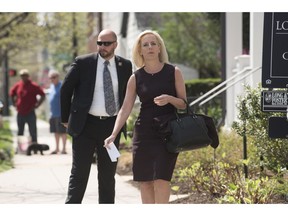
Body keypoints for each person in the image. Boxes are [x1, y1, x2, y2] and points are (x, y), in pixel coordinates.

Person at [104, 30, 187, 204]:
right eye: (145, 45)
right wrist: (113, 134)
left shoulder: (174, 72)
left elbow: (184, 105)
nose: (149, 47)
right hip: (144, 133)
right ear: (140, 51)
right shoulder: (136, 77)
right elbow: (125, 109)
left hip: (167, 133)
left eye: (153, 43)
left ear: (159, 48)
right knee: (146, 181)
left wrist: (170, 99)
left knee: (162, 179)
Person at [60, 29, 132, 204]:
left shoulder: (125, 65)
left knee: (107, 177)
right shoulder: (83, 62)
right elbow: (66, 89)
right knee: (79, 174)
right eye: (100, 43)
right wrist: (65, 118)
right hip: (85, 125)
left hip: (111, 128)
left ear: (115, 44)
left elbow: (127, 95)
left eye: (107, 43)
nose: (102, 46)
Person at [10, 69, 46, 145]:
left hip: (30, 111)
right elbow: (12, 93)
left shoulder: (33, 85)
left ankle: (34, 146)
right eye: (22, 76)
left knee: (33, 130)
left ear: (28, 76)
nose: (23, 77)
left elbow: (42, 94)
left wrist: (37, 104)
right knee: (20, 131)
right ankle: (20, 147)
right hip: (20, 112)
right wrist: (14, 103)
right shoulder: (18, 85)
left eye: (25, 75)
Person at [48, 70, 67, 154]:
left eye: (53, 77)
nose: (52, 79)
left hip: (61, 113)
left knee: (62, 132)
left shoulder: (62, 85)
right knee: (55, 131)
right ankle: (57, 148)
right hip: (53, 113)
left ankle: (64, 149)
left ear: (58, 77)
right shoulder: (51, 87)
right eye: (50, 78)